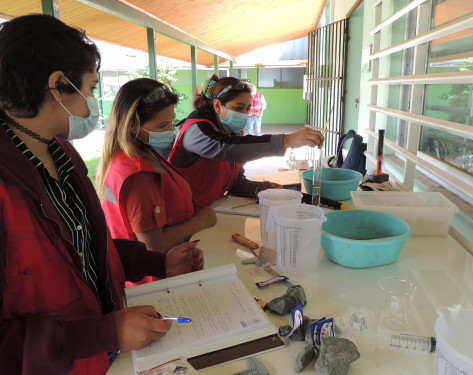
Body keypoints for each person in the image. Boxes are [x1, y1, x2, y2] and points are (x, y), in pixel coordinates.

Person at [0, 14, 203, 374]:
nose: (92, 103)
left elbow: (85, 250)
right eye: (91, 88)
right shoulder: (7, 185)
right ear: (58, 84)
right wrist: (100, 334)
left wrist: (157, 262)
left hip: (108, 352)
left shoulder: (63, 154)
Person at [96, 78, 216, 286]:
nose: (171, 130)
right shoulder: (138, 174)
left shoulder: (137, 154)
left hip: (160, 273)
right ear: (132, 125)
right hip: (156, 282)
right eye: (162, 125)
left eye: (171, 121)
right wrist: (199, 221)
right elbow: (153, 244)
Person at [169, 75, 324, 209]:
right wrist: (286, 140)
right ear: (217, 105)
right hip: (183, 215)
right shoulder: (195, 129)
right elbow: (223, 148)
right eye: (238, 107)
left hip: (211, 211)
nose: (244, 114)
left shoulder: (230, 129)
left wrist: (258, 187)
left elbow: (234, 182)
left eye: (247, 109)